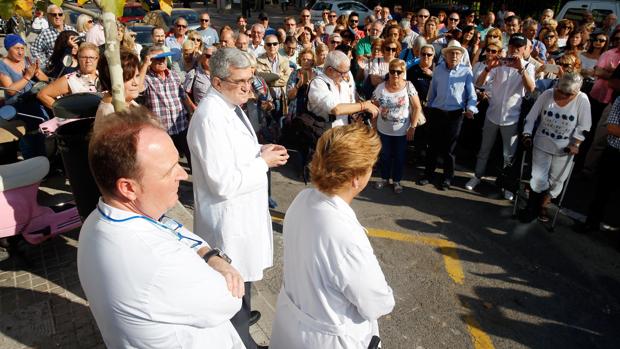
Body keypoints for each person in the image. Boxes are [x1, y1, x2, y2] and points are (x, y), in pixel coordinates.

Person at [79, 106, 245, 348]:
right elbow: (231, 299)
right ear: (128, 188)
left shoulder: (98, 219)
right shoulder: (158, 260)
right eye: (170, 170)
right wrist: (216, 260)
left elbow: (170, 226)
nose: (183, 175)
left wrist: (210, 255)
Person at [187, 48, 288, 349]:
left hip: (243, 218)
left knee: (242, 289)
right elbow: (221, 181)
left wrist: (258, 151)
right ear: (217, 83)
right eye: (240, 80)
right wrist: (262, 163)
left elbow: (233, 155)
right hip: (228, 225)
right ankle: (241, 341)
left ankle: (244, 331)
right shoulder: (209, 118)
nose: (248, 86)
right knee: (232, 294)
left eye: (250, 78)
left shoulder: (231, 106)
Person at [270, 123, 395, 348]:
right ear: (356, 178)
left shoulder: (303, 199)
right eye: (370, 167)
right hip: (328, 338)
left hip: (292, 325)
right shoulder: (345, 233)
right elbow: (376, 303)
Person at [466, 34, 536, 199]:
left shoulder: (528, 66)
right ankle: (477, 176)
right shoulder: (500, 63)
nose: (515, 51)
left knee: (508, 155)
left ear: (525, 49)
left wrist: (521, 69)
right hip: (492, 114)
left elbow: (531, 88)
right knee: (484, 149)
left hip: (512, 117)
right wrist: (489, 67)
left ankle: (507, 185)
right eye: (512, 47)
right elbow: (479, 83)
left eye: (519, 48)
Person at [520, 73, 591, 222]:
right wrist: (527, 134)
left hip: (564, 148)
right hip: (542, 142)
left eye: (568, 94)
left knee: (556, 182)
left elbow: (583, 125)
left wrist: (576, 143)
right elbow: (531, 116)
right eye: (561, 91)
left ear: (577, 92)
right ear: (557, 86)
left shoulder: (582, 99)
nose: (563, 95)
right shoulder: (547, 94)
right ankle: (531, 208)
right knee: (539, 178)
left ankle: (544, 205)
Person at [418, 40, 478, 190]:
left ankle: (447, 178)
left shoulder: (466, 71)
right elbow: (433, 90)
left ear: (461, 55)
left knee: (449, 149)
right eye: (452, 52)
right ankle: (428, 175)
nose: (455, 55)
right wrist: (429, 107)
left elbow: (472, 95)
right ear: (446, 55)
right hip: (437, 112)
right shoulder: (438, 69)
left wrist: (471, 108)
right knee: (432, 146)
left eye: (457, 53)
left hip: (455, 114)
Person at [372, 59, 423, 193]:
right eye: (392, 71)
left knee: (399, 157)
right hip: (383, 130)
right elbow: (374, 108)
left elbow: (417, 107)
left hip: (402, 131)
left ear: (403, 72)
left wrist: (413, 127)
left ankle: (397, 181)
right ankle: (384, 178)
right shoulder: (381, 87)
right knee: (385, 156)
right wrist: (373, 128)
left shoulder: (408, 86)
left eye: (399, 72)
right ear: (388, 72)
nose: (395, 74)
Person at [142, 45, 193, 169]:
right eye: (158, 59)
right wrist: (144, 65)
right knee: (168, 163)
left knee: (192, 158)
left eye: (164, 58)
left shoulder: (173, 75)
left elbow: (182, 95)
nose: (162, 61)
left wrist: (192, 110)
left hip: (181, 124)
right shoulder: (146, 78)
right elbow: (138, 88)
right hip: (162, 130)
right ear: (150, 61)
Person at [0, 34, 50, 159]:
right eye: (17, 48)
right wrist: (27, 76)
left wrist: (37, 73)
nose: (20, 52)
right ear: (8, 48)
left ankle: (43, 161)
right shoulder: (2, 65)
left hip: (35, 101)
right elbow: (11, 90)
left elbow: (45, 79)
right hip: (18, 106)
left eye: (22, 48)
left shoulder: (28, 60)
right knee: (28, 136)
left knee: (42, 131)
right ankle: (32, 163)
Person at [307, 50, 379, 128]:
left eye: (347, 71)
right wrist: (364, 105)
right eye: (342, 73)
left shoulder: (343, 83)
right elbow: (336, 109)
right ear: (330, 70)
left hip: (344, 133)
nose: (346, 76)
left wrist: (358, 113)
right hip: (325, 135)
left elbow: (349, 105)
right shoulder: (317, 84)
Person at [38, 43, 101, 110]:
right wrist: (67, 112)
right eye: (84, 57)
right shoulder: (71, 79)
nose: (88, 61)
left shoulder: (105, 75)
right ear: (78, 58)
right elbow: (42, 95)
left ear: (97, 58)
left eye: (91, 57)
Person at [94, 50, 143, 129]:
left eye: (137, 76)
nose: (135, 83)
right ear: (110, 80)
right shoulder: (109, 112)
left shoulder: (131, 103)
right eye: (128, 78)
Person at [256, 35, 292, 138]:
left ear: (279, 45)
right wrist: (277, 77)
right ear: (265, 46)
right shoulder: (258, 60)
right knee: (266, 126)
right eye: (269, 44)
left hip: (281, 98)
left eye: (274, 44)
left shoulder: (285, 60)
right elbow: (260, 78)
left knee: (280, 125)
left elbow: (286, 80)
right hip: (267, 100)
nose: (272, 46)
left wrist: (269, 81)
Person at [30, 5, 75, 70]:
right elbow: (34, 50)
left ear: (63, 16)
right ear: (49, 16)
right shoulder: (45, 34)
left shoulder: (72, 29)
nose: (57, 17)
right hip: (56, 69)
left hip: (72, 66)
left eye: (60, 14)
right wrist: (46, 64)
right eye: (54, 15)